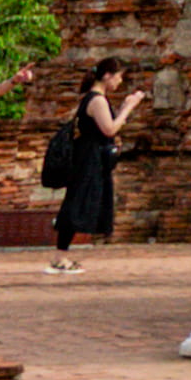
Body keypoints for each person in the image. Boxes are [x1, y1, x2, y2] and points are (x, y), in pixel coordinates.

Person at [39, 67, 141, 272]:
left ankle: (62, 255)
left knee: (79, 202)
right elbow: (109, 128)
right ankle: (60, 256)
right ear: (107, 75)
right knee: (76, 204)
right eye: (118, 76)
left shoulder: (94, 98)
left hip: (91, 158)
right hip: (89, 159)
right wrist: (128, 108)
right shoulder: (97, 100)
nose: (119, 81)